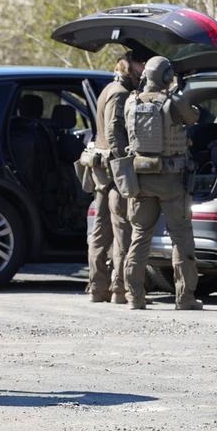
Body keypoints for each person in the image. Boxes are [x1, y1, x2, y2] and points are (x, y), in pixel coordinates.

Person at [122, 56, 202, 310]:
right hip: (171, 180)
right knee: (180, 237)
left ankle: (134, 296)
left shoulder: (130, 102)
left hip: (140, 179)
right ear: (166, 76)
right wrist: (178, 92)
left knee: (139, 236)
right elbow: (193, 118)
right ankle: (185, 297)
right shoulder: (173, 102)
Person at [86, 52, 145, 304]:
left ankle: (97, 289)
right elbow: (113, 133)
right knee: (123, 231)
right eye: (140, 64)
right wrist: (124, 164)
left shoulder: (107, 89)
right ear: (129, 66)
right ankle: (119, 290)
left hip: (101, 172)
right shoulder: (120, 93)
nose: (143, 69)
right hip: (114, 173)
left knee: (100, 233)